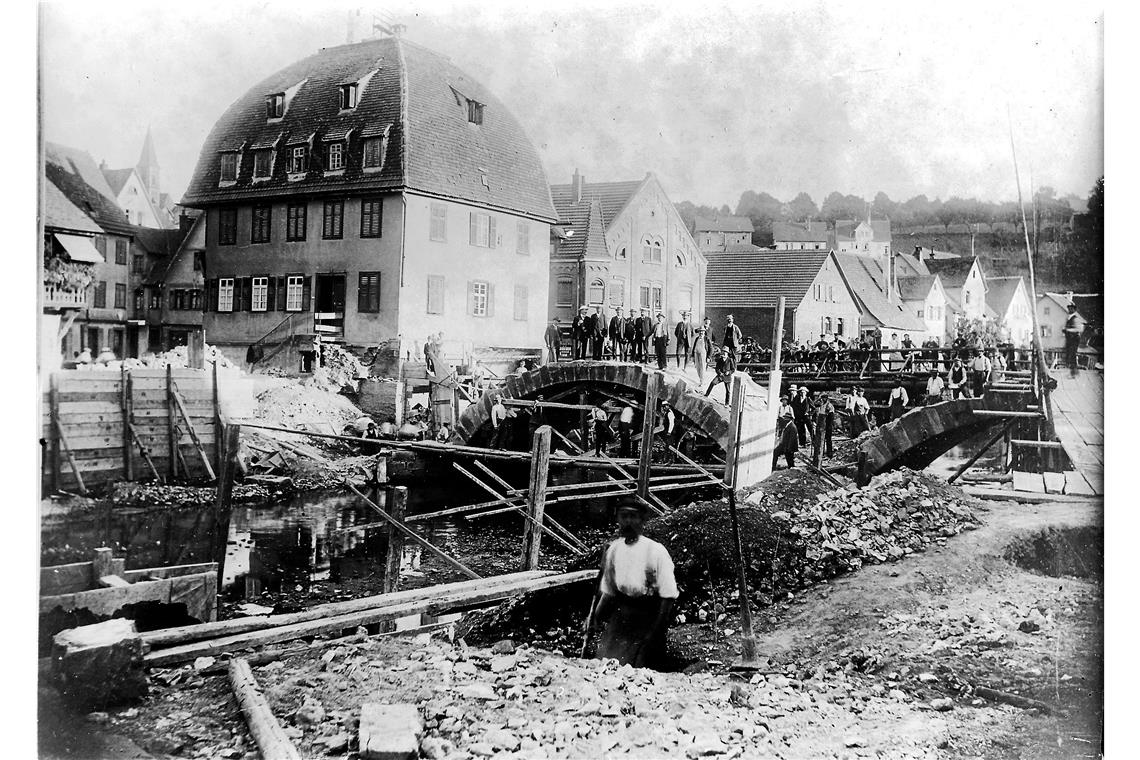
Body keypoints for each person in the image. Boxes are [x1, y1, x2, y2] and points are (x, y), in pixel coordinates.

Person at [591, 498, 678, 668]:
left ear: (642, 521)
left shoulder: (656, 551)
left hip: (648, 615)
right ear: (618, 520)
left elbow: (668, 596)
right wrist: (594, 617)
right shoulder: (614, 550)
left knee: (641, 668)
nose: (628, 522)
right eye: (624, 517)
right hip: (622, 615)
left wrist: (656, 631)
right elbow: (608, 590)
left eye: (633, 517)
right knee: (605, 664)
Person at [1063, 303, 1085, 377]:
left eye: (1071, 308)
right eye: (1069, 308)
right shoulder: (1069, 318)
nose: (1069, 309)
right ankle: (1073, 373)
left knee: (1072, 355)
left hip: (1074, 339)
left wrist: (1068, 330)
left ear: (1074, 309)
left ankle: (1074, 373)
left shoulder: (1076, 318)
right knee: (1070, 355)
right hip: (1070, 339)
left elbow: (1080, 329)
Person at [813, 393, 837, 459]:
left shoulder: (829, 406)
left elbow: (830, 417)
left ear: (827, 399)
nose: (823, 399)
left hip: (827, 425)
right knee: (821, 439)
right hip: (822, 425)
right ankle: (821, 453)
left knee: (828, 439)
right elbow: (815, 404)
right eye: (822, 398)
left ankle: (829, 454)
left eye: (824, 398)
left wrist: (827, 426)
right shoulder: (822, 405)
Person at [692, 317, 712, 383]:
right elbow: (694, 347)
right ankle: (700, 378)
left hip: (703, 354)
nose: (701, 333)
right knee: (697, 367)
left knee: (702, 367)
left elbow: (711, 348)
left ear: (704, 332)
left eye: (702, 331)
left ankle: (702, 381)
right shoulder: (697, 338)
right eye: (700, 331)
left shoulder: (707, 339)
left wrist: (709, 357)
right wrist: (693, 356)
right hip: (696, 353)